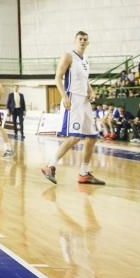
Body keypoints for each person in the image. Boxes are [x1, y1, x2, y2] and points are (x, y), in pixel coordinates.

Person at [41, 31, 104, 186]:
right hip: (73, 98)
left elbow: (85, 80)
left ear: (87, 43)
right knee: (75, 136)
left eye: (85, 39)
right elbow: (57, 78)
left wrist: (91, 91)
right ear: (75, 41)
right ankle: (50, 166)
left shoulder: (86, 60)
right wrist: (64, 96)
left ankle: (84, 173)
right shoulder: (68, 56)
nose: (82, 41)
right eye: (80, 39)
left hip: (84, 100)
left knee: (92, 136)